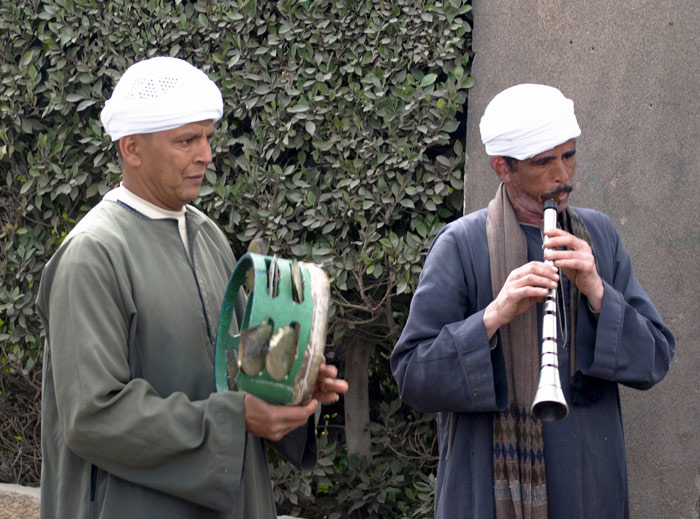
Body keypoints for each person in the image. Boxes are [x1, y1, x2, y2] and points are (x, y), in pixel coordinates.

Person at [36, 56, 348, 519]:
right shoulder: (93, 253)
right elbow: (93, 416)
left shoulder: (207, 236)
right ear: (132, 148)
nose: (205, 154)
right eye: (186, 140)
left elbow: (245, 370)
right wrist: (232, 418)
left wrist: (294, 383)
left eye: (207, 137)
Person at [390, 83, 675, 519]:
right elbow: (412, 375)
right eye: (544, 161)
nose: (563, 174)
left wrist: (597, 291)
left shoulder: (598, 236)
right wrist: (492, 316)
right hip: (488, 490)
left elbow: (655, 357)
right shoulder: (461, 245)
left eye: (569, 155)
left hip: (588, 487)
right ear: (504, 167)